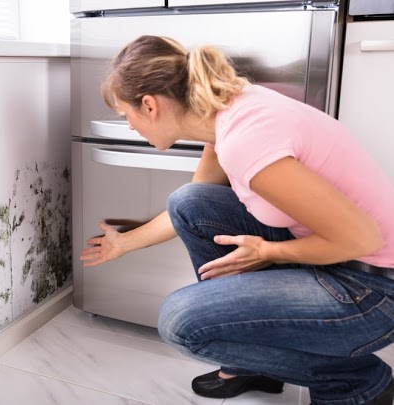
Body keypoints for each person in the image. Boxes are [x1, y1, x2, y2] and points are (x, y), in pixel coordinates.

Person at [79, 35, 394, 405]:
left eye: (124, 114)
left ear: (149, 105)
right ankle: (252, 363)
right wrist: (125, 242)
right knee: (190, 203)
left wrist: (268, 250)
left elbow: (362, 239)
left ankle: (356, 382)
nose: (129, 126)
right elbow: (190, 211)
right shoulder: (228, 112)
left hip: (371, 292)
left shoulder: (245, 140)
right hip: (340, 259)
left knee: (182, 324)